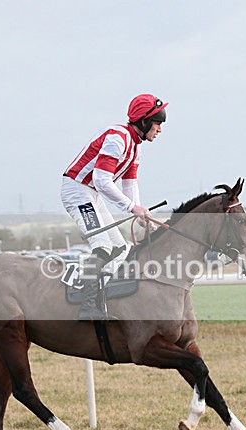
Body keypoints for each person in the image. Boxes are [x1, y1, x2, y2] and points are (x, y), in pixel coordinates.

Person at [61, 93, 168, 320]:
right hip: (77, 191)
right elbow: (102, 180)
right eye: (157, 123)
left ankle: (103, 302)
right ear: (144, 121)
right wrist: (132, 208)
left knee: (120, 249)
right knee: (103, 246)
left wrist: (139, 212)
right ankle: (87, 307)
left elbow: (130, 183)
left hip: (92, 194)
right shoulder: (118, 139)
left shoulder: (135, 146)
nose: (159, 129)